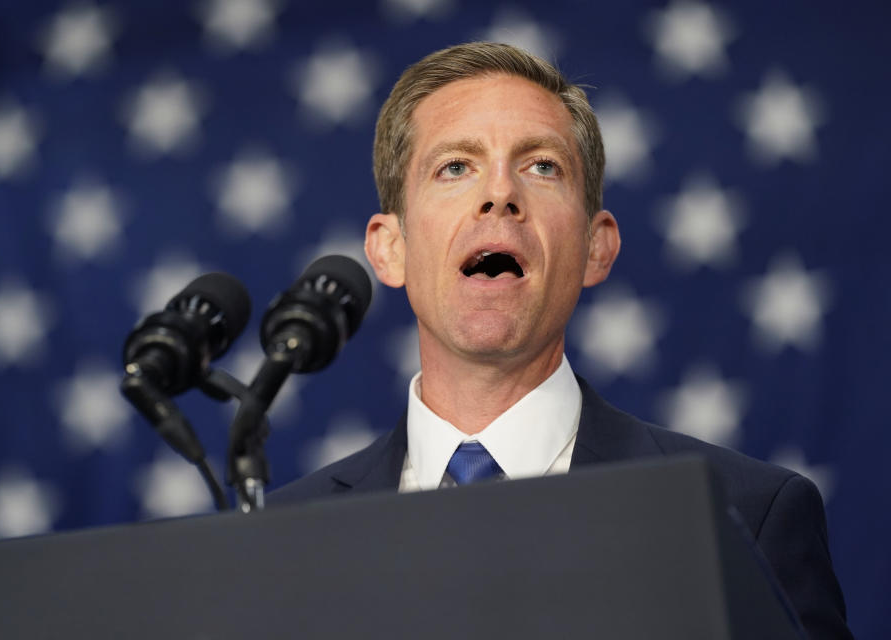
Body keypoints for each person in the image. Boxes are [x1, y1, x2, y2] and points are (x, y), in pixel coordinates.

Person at [270, 42, 851, 638]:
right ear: (389, 247)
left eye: (542, 165)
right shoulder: (280, 535)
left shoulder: (747, 514)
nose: (500, 194)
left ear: (594, 246)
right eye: (455, 167)